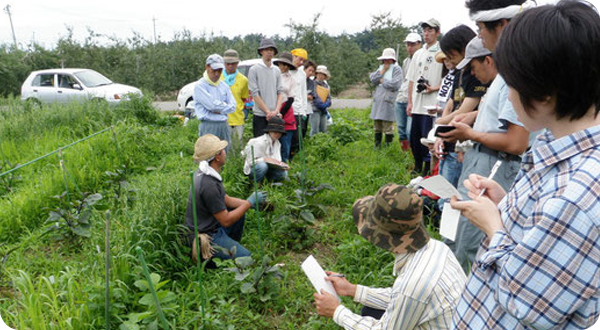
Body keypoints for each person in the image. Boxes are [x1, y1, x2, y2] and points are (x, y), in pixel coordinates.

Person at [451, 2, 600, 329]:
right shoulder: (556, 146)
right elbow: (549, 236)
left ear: (544, 94)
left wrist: (494, 228)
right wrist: (506, 206)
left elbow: (527, 302)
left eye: (513, 84)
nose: (510, 95)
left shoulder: (576, 197)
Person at [437, 4, 534, 272]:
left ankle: (461, 294)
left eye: (480, 29)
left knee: (470, 239)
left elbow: (516, 142)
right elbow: (500, 118)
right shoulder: (502, 80)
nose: (479, 35)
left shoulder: (516, 76)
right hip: (483, 161)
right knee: (457, 226)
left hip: (496, 164)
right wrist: (472, 118)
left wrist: (470, 133)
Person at [313, 183, 466, 330]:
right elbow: (400, 298)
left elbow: (406, 297)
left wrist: (336, 311)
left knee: (372, 314)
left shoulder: (415, 284)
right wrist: (352, 290)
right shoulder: (437, 247)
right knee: (371, 310)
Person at [185, 134, 265, 262]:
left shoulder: (205, 172)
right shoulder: (209, 184)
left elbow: (225, 199)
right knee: (246, 259)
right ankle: (220, 258)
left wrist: (246, 203)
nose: (225, 153)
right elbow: (226, 221)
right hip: (207, 238)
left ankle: (229, 249)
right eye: (222, 150)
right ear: (217, 157)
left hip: (212, 226)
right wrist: (249, 203)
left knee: (239, 210)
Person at [434, 26, 488, 193]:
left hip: (465, 145)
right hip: (451, 141)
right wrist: (440, 134)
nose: (451, 61)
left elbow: (464, 111)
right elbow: (451, 103)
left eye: (452, 56)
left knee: (454, 196)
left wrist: (438, 124)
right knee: (443, 193)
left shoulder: (477, 75)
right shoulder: (459, 73)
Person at [406, 18, 444, 175]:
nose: (426, 34)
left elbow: (448, 79)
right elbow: (411, 79)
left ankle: (428, 170)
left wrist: (433, 88)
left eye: (430, 31)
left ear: (437, 32)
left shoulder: (442, 53)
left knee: (428, 137)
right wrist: (409, 102)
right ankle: (417, 166)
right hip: (417, 104)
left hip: (432, 104)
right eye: (425, 31)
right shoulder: (418, 54)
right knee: (414, 138)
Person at [194, 54, 236, 150]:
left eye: (220, 71)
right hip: (208, 125)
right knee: (208, 155)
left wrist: (219, 108)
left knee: (224, 155)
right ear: (207, 67)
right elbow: (212, 106)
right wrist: (224, 107)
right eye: (214, 70)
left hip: (223, 124)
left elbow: (233, 106)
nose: (217, 74)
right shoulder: (200, 86)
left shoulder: (224, 85)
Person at [248, 38, 285, 137]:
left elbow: (280, 92)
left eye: (271, 50)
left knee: (274, 145)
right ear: (261, 51)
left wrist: (276, 111)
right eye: (266, 49)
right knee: (260, 145)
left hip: (275, 115)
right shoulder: (254, 69)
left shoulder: (277, 70)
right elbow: (255, 93)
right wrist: (267, 112)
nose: (269, 52)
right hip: (260, 115)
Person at [369, 48, 403, 148]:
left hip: (389, 100)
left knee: (388, 126)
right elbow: (373, 79)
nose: (386, 61)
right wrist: (383, 71)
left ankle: (388, 147)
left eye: (388, 59)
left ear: (393, 59)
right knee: (377, 125)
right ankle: (377, 146)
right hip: (378, 99)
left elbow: (395, 84)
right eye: (384, 59)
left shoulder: (397, 69)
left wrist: (382, 81)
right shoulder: (381, 68)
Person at [395, 33, 422, 151]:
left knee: (410, 130)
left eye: (413, 44)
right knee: (401, 129)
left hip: (414, 99)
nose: (409, 47)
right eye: (408, 44)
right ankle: (405, 154)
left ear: (419, 44)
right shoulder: (406, 61)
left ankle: (413, 154)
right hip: (402, 97)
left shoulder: (422, 59)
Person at [242, 116, 289, 183]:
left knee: (284, 173)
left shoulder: (277, 143)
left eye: (279, 132)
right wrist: (264, 159)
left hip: (269, 168)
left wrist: (281, 165)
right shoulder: (258, 142)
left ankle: (269, 183)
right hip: (253, 169)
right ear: (269, 131)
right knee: (262, 166)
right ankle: (255, 184)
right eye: (275, 132)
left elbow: (277, 160)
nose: (277, 134)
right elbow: (250, 162)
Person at [273, 51, 297, 163]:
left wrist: (281, 112)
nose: (284, 67)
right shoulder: (273, 75)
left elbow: (291, 98)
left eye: (286, 65)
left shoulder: (291, 79)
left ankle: (284, 164)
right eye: (282, 64)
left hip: (285, 109)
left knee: (285, 143)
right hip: (272, 107)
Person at [222, 49, 250, 147]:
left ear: (237, 63)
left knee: (237, 147)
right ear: (224, 63)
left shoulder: (243, 80)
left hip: (238, 119)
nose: (230, 66)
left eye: (233, 63)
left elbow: (243, 99)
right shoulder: (218, 77)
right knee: (223, 147)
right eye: (228, 63)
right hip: (222, 118)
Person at [290, 48, 309, 157]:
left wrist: (304, 111)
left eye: (303, 61)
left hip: (299, 111)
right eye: (300, 59)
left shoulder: (301, 73)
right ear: (293, 57)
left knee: (298, 137)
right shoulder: (284, 70)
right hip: (287, 110)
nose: (301, 63)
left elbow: (303, 93)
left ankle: (292, 157)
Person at [309, 65, 331, 136]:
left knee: (323, 130)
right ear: (316, 75)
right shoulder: (312, 83)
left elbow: (328, 96)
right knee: (315, 130)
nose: (321, 76)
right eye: (319, 74)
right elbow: (314, 96)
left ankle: (322, 144)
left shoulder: (325, 85)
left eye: (323, 75)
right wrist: (321, 104)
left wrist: (327, 103)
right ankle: (313, 145)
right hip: (315, 110)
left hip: (323, 111)